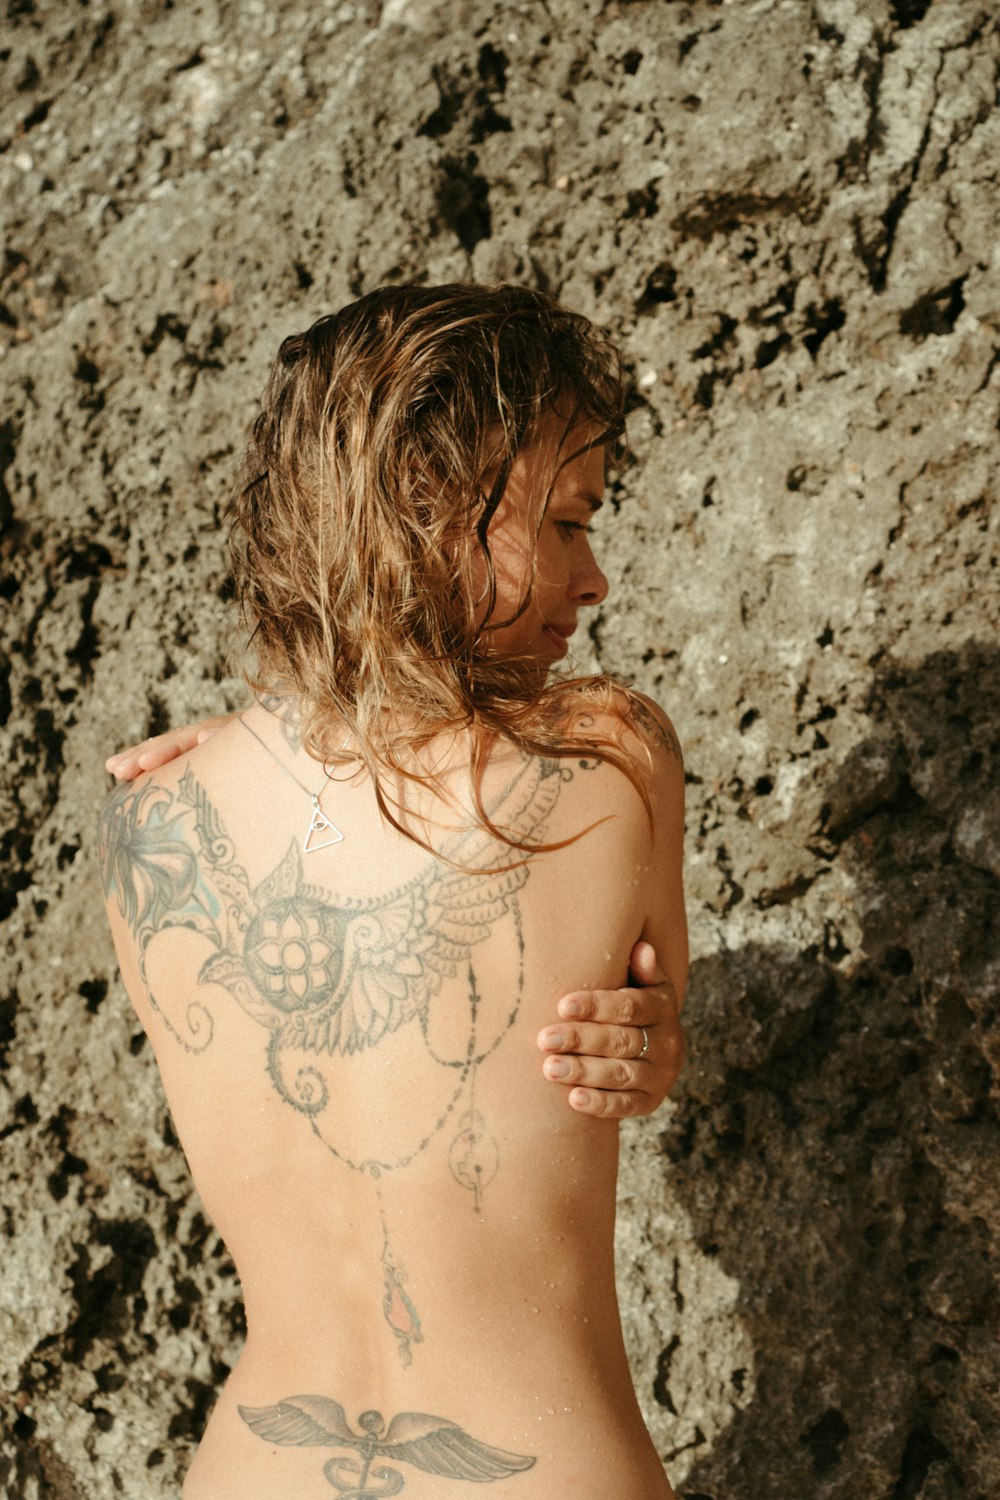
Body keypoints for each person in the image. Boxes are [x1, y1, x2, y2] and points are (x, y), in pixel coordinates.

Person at [99, 284, 687, 1499]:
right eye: (569, 521)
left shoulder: (151, 820)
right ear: (427, 506)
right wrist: (657, 1048)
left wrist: (266, 730)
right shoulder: (611, 755)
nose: (597, 580)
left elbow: (342, 771)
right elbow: (649, 1024)